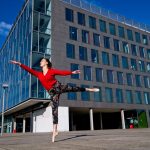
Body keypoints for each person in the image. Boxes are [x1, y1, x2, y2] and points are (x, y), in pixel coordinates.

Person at [10, 58, 99, 142]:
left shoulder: (51, 71)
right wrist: (20, 64)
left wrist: (72, 72)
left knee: (74, 88)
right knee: (54, 110)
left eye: (42, 61)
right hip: (53, 93)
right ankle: (55, 131)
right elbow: (29, 70)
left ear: (46, 63)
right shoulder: (39, 74)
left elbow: (62, 73)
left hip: (58, 87)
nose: (40, 62)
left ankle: (89, 89)